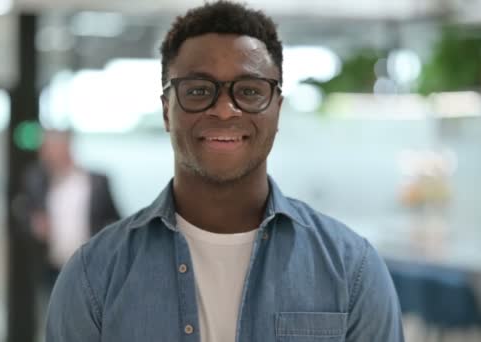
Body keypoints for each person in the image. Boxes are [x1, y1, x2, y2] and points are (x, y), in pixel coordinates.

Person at [47, 1, 404, 341]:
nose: (224, 110)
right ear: (166, 110)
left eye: (249, 91)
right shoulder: (94, 275)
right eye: (199, 90)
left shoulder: (351, 269)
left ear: (277, 109)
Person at [23, 129, 121, 287]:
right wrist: (35, 224)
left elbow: (115, 222)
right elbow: (24, 214)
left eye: (51, 149)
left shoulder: (95, 182)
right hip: (53, 268)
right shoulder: (38, 182)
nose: (46, 155)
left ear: (65, 148)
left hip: (90, 265)